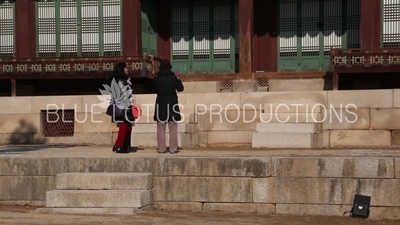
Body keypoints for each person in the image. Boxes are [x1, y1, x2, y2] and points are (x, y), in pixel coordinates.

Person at [153, 59, 184, 154]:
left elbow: (153, 89)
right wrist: (177, 79)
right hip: (172, 103)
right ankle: (173, 148)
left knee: (161, 126)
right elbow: (180, 88)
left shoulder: (157, 78)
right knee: (173, 126)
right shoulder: (173, 77)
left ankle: (161, 148)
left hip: (161, 103)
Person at [107, 62, 135, 154]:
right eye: (125, 68)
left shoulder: (118, 80)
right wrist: (130, 105)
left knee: (127, 125)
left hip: (122, 105)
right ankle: (120, 145)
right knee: (124, 125)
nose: (127, 69)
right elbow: (125, 94)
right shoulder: (121, 81)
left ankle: (121, 145)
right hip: (123, 105)